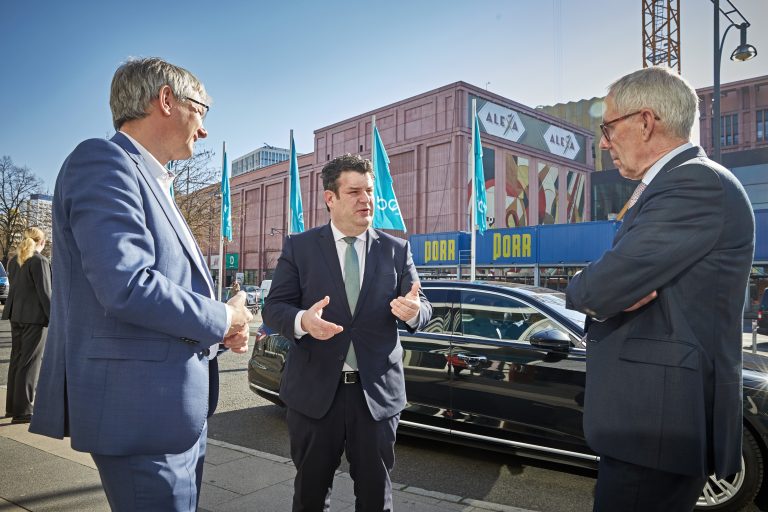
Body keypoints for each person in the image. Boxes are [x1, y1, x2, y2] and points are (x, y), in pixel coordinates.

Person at [29, 57, 253, 511]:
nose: (205, 129)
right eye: (202, 109)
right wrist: (223, 314)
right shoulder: (103, 161)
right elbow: (128, 285)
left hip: (169, 413)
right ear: (166, 100)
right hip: (142, 414)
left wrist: (220, 330)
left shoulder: (152, 181)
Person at [566, 66, 754, 511]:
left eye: (608, 128)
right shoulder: (683, 184)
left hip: (655, 426)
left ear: (646, 121)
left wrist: (583, 287)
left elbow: (599, 287)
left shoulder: (694, 183)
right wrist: (609, 288)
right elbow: (616, 284)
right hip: (654, 423)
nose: (605, 143)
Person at [263, 154, 432, 512]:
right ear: (330, 198)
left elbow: (423, 306)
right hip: (314, 395)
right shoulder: (300, 247)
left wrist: (415, 312)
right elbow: (273, 307)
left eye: (369, 191)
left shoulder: (397, 250)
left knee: (375, 498)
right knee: (310, 495)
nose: (366, 200)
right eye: (354, 191)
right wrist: (302, 321)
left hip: (375, 397)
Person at [2, 227, 51, 424]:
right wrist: (55, 319)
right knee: (29, 363)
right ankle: (23, 411)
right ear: (42, 242)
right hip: (35, 318)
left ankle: (13, 407)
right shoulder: (40, 261)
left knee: (17, 360)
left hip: (16, 316)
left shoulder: (14, 260)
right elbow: (46, 294)